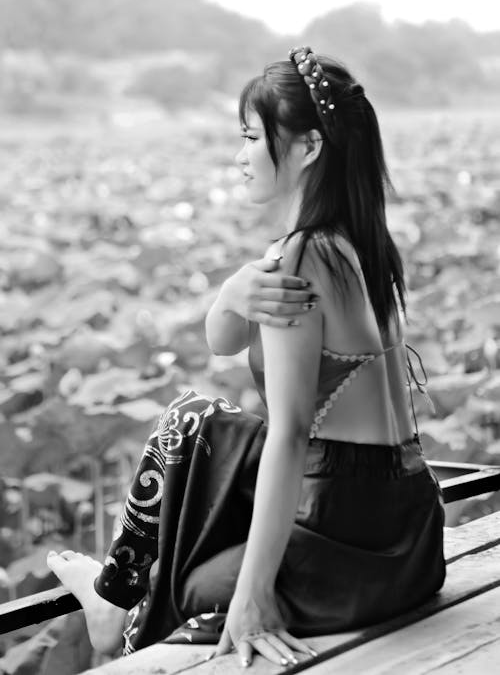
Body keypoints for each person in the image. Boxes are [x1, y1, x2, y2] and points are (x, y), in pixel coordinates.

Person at [47, 46, 445, 669]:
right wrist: (233, 289)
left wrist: (256, 594)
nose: (239, 156)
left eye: (252, 137)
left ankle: (116, 616)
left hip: (348, 538)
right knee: (194, 416)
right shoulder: (361, 244)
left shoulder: (301, 258)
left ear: (308, 148)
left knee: (198, 588)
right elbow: (222, 340)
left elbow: (289, 434)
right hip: (409, 535)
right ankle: (113, 601)